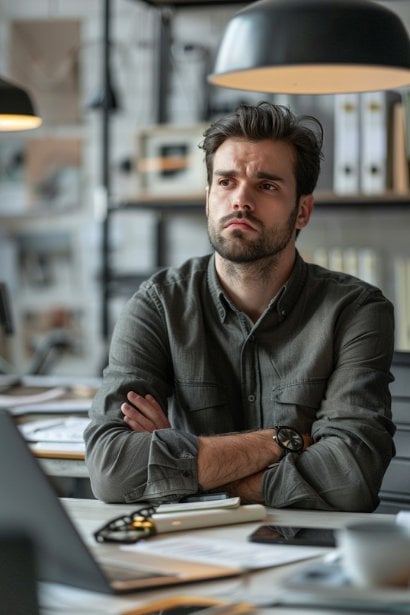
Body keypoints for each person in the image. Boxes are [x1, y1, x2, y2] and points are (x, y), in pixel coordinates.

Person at [85, 101, 395, 512]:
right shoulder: (158, 304)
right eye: (226, 182)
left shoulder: (355, 311)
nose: (241, 200)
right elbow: (112, 470)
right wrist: (283, 442)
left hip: (313, 551)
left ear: (302, 210)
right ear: (208, 197)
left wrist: (182, 475)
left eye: (266, 185)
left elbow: (350, 478)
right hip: (189, 550)